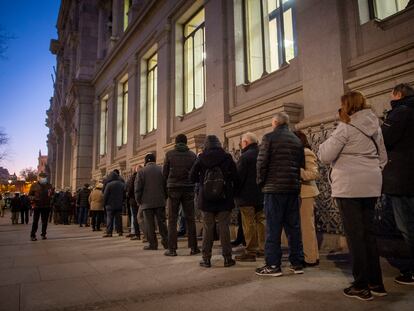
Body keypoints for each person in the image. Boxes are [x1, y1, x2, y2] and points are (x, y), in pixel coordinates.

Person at [319, 91, 388, 301]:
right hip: (371, 185)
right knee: (368, 234)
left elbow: (324, 155)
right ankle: (376, 283)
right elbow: (383, 158)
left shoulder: (345, 128)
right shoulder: (375, 127)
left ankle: (360, 285)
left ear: (347, 106)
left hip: (349, 187)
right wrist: (370, 173)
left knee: (355, 236)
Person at [256, 112, 305, 277]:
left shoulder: (269, 138)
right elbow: (301, 165)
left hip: (274, 189)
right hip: (292, 188)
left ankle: (273, 265)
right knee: (294, 228)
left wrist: (261, 182)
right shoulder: (296, 140)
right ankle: (297, 263)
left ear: (275, 122)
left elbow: (262, 163)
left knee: (273, 228)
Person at [381, 83, 414, 285]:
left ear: (398, 94)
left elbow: (384, 139)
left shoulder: (400, 113)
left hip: (402, 179)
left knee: (407, 226)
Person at [190, 135, 238, 268]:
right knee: (224, 228)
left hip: (206, 199)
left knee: (207, 228)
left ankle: (206, 259)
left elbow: (192, 177)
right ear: (219, 144)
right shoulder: (227, 157)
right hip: (224, 198)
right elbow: (235, 176)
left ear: (206, 145)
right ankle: (227, 258)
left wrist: (201, 180)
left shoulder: (201, 158)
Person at [163, 134, 200, 256]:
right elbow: (196, 173)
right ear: (186, 142)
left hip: (173, 188)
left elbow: (165, 174)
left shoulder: (169, 154)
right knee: (190, 218)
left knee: (172, 219)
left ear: (176, 142)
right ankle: (194, 248)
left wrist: (166, 189)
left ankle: (172, 249)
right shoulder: (192, 155)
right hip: (188, 188)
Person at [234, 132, 265, 262]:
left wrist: (235, 193)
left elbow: (238, 178)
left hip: (246, 197)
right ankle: (263, 249)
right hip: (261, 194)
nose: (241, 145)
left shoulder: (244, 157)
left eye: (241, 142)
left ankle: (251, 251)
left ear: (246, 142)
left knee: (248, 224)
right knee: (261, 222)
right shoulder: (263, 154)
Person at [294, 130, 320, 267]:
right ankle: (311, 255)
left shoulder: (306, 152)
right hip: (299, 194)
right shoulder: (298, 153)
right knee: (304, 227)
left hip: (306, 194)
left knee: (307, 228)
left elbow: (314, 174)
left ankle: (310, 258)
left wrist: (296, 171)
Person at [135, 153, 168, 250]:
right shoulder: (161, 169)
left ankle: (153, 244)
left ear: (145, 162)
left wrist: (139, 201)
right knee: (162, 223)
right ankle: (166, 243)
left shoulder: (141, 172)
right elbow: (166, 185)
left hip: (146, 203)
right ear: (155, 160)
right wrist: (164, 197)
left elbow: (137, 188)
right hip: (160, 201)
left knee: (149, 225)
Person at [29, 172, 52, 241]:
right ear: (39, 178)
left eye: (45, 178)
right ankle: (33, 235)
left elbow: (52, 194)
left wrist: (51, 198)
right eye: (42, 178)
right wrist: (34, 200)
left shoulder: (49, 185)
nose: (44, 179)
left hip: (46, 206)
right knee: (35, 222)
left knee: (45, 222)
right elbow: (30, 195)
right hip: (37, 206)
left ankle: (43, 234)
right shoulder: (34, 185)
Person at [103, 170, 125, 237]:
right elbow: (124, 194)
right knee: (119, 219)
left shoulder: (109, 184)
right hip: (119, 204)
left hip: (110, 205)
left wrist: (104, 203)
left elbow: (105, 195)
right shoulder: (122, 184)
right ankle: (120, 231)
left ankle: (109, 232)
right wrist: (122, 201)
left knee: (109, 219)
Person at [126, 167, 141, 240]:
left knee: (135, 217)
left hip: (134, 200)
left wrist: (128, 195)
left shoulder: (133, 177)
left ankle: (137, 234)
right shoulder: (143, 176)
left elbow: (130, 189)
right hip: (141, 200)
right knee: (142, 217)